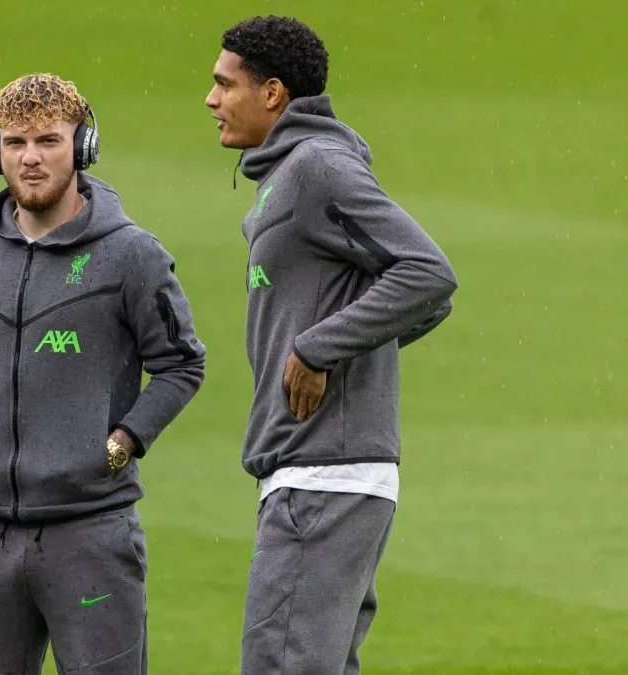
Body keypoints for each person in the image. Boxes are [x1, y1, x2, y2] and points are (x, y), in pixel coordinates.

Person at [0, 72, 206, 675]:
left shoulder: (132, 255)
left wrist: (121, 443)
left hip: (91, 535)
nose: (30, 158)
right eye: (15, 141)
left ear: (82, 146)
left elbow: (182, 363)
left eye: (49, 140)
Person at [204, 15, 458, 674]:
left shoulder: (316, 167)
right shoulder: (286, 177)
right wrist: (344, 347)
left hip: (321, 476)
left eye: (225, 84)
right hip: (323, 476)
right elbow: (418, 298)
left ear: (273, 93)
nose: (211, 99)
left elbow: (428, 276)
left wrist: (322, 348)